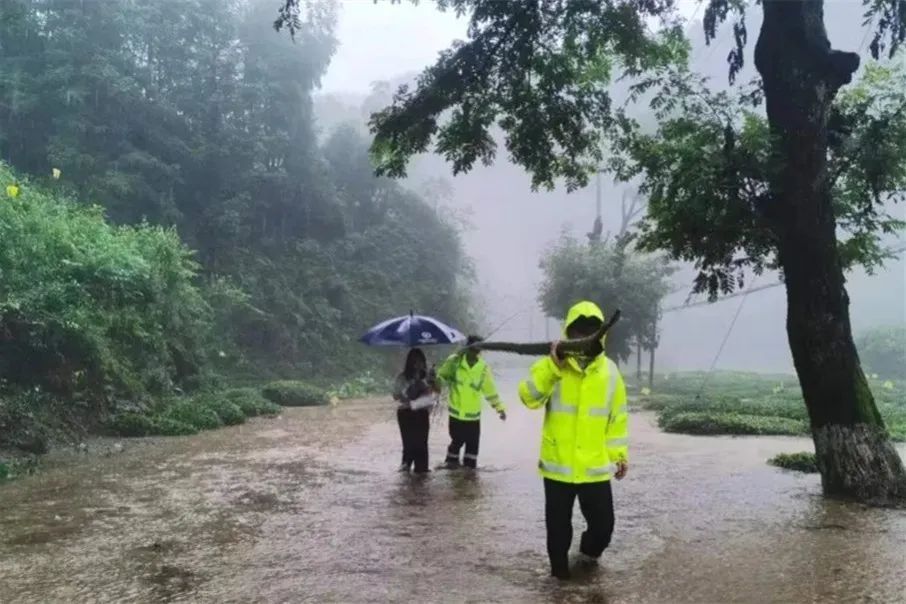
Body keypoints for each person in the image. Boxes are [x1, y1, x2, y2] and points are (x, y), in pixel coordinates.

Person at [517, 301, 629, 581]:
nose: (583, 339)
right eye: (578, 332)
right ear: (569, 333)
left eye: (590, 333)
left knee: (603, 528)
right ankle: (559, 585)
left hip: (594, 468)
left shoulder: (610, 373)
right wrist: (553, 368)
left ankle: (586, 557)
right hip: (558, 466)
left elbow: (616, 418)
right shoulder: (551, 366)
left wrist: (619, 454)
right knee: (557, 533)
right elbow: (528, 397)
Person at [436, 335, 506, 469]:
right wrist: (435, 379)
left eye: (478, 350)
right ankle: (450, 470)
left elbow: (489, 390)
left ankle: (469, 479)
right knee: (456, 444)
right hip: (456, 416)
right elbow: (442, 378)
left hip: (473, 417)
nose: (475, 352)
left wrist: (499, 408)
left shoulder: (483, 368)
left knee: (472, 451)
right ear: (467, 347)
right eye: (472, 349)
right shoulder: (455, 362)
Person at [392, 348, 438, 473]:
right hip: (406, 413)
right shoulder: (402, 377)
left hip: (422, 413)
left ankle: (421, 471)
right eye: (415, 361)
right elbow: (395, 395)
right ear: (409, 362)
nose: (418, 364)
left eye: (421, 361)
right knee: (408, 445)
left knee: (422, 445)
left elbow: (436, 392)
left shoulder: (428, 377)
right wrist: (410, 389)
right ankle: (405, 468)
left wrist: (433, 381)